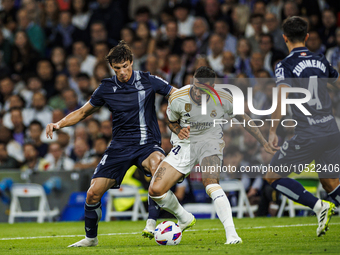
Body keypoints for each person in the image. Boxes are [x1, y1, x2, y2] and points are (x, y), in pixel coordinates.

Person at [45, 40, 176, 247]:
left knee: (157, 166)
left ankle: (151, 223)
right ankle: (91, 238)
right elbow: (82, 112)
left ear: (131, 62)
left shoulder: (148, 80)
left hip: (147, 144)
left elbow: (175, 94)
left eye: (125, 66)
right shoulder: (106, 88)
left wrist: (182, 116)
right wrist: (58, 124)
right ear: (112, 68)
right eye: (117, 68)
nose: (123, 72)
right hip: (119, 147)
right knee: (93, 192)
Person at [146, 66, 275, 244]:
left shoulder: (224, 98)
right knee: (155, 190)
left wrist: (263, 142)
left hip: (210, 142)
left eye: (204, 89)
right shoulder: (177, 97)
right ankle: (184, 218)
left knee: (210, 183)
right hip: (185, 144)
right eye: (196, 87)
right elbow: (171, 119)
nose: (198, 92)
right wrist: (178, 130)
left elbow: (243, 118)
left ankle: (232, 234)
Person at [265, 16, 340, 237]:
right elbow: (337, 83)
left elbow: (281, 99)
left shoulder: (285, 65)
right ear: (307, 37)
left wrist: (272, 130)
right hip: (330, 130)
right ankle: (325, 203)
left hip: (309, 133)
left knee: (272, 175)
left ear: (284, 38)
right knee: (330, 182)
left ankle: (319, 206)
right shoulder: (321, 60)